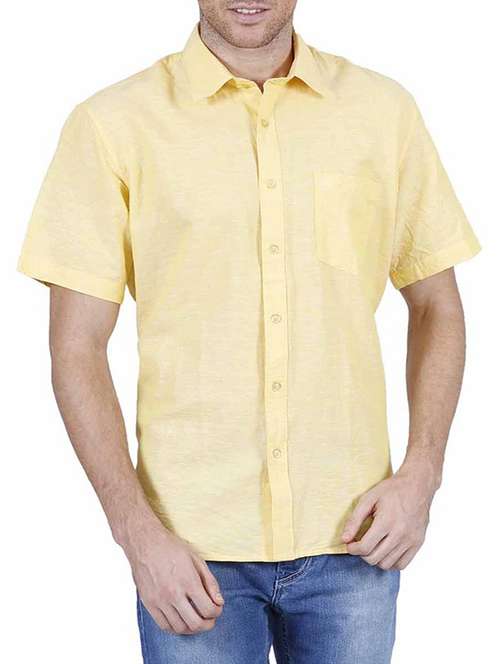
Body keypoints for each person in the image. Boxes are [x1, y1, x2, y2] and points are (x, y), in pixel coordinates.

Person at [17, 1, 481, 662]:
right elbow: (76, 347)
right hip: (187, 552)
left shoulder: (384, 112)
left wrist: (423, 474)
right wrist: (136, 533)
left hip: (356, 537)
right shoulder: (112, 124)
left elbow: (437, 304)